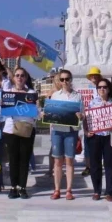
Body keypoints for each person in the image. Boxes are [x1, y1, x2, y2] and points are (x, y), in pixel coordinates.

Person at [0, 67, 36, 199]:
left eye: (22, 75)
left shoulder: (31, 92)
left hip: (26, 129)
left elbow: (35, 113)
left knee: (24, 159)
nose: (19, 78)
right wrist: (2, 105)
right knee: (13, 159)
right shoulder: (7, 93)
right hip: (10, 129)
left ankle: (23, 187)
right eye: (17, 75)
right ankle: (13, 187)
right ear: (13, 78)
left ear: (26, 78)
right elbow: (2, 114)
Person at [85, 78, 112, 201]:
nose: (102, 89)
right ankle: (97, 191)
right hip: (95, 136)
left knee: (110, 165)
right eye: (99, 87)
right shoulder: (91, 103)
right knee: (95, 164)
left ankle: (109, 192)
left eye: (104, 87)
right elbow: (86, 120)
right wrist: (86, 131)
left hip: (110, 136)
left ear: (108, 89)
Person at [48, 69, 82, 201]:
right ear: (59, 81)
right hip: (57, 130)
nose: (64, 82)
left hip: (71, 131)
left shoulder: (77, 96)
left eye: (67, 79)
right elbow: (50, 112)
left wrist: (81, 116)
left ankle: (68, 189)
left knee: (69, 161)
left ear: (71, 80)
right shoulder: (55, 95)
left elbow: (83, 115)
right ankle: (57, 189)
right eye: (62, 79)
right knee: (57, 161)